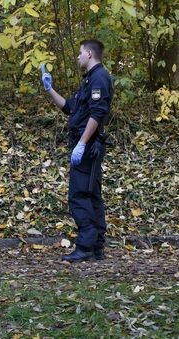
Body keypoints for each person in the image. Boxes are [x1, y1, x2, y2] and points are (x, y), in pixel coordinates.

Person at [41, 39, 113, 262]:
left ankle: (85, 246)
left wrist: (82, 143)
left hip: (89, 147)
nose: (78, 57)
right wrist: (49, 88)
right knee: (91, 196)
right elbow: (70, 108)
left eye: (80, 53)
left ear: (90, 54)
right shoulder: (90, 79)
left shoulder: (100, 77)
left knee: (79, 196)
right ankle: (96, 247)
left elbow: (98, 112)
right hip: (85, 146)